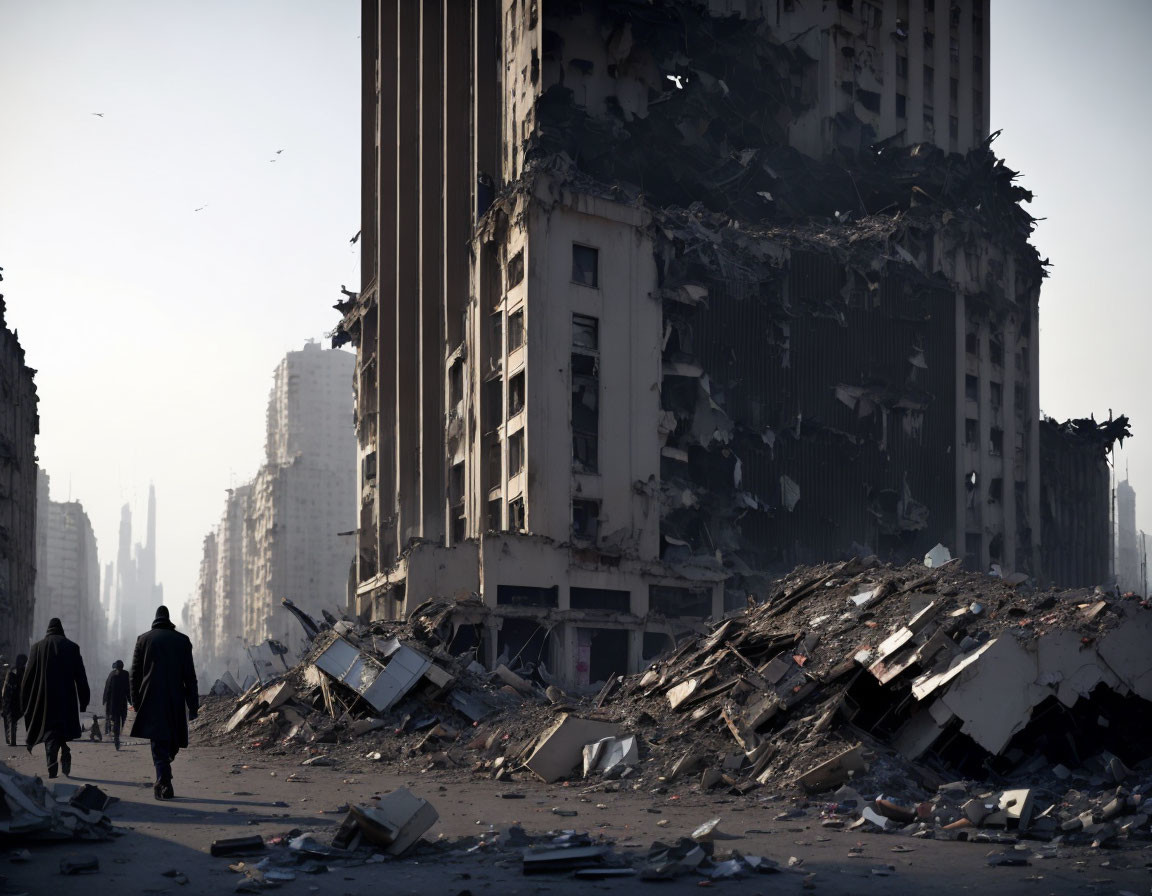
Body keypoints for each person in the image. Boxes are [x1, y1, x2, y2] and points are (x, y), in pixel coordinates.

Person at [130, 605, 198, 800]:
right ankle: (164, 779)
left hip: (150, 698)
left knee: (158, 740)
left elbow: (134, 675)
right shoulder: (182, 641)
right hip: (175, 698)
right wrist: (193, 705)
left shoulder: (143, 640)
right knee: (171, 740)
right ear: (169, 620)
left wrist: (136, 701)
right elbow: (190, 677)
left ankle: (163, 774)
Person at [20, 618, 89, 778]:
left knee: (49, 732)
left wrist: (25, 703)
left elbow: (27, 679)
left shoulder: (37, 647)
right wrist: (83, 701)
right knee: (63, 729)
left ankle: (52, 765)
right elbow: (81, 678)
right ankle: (64, 749)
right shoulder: (72, 647)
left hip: (44, 700)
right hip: (66, 699)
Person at [102, 660, 130, 750]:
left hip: (113, 703)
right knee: (123, 719)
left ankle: (116, 737)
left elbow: (107, 688)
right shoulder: (125, 674)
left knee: (116, 721)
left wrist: (105, 700)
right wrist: (130, 700)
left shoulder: (112, 674)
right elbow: (128, 688)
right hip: (122, 702)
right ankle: (118, 737)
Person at [1, 655, 27, 746]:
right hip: (13, 698)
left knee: (15, 719)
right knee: (12, 719)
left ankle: (26, 739)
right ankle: (12, 740)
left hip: (21, 698)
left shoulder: (24, 671)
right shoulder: (13, 671)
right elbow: (7, 685)